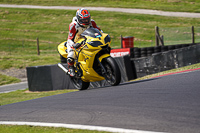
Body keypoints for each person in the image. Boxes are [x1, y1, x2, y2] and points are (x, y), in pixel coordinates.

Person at [58, 8, 102, 77]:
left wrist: (102, 35)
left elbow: (99, 30)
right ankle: (71, 68)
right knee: (71, 54)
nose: (86, 21)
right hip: (76, 41)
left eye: (87, 19)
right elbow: (70, 38)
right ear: (78, 19)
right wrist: (74, 45)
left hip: (87, 39)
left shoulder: (92, 22)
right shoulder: (73, 25)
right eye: (83, 20)